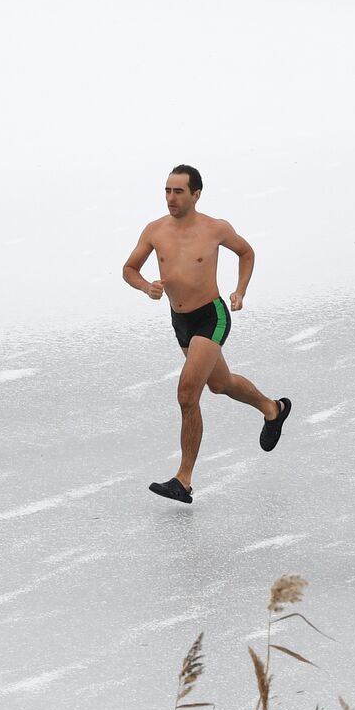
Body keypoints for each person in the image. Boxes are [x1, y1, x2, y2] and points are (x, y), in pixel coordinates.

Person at [121, 164, 291, 504]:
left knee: (187, 394)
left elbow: (246, 252)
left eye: (178, 191)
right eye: (167, 191)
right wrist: (145, 287)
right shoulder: (155, 231)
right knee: (220, 384)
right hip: (180, 320)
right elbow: (129, 269)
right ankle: (272, 409)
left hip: (211, 316)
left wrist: (240, 290)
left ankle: (183, 481)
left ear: (196, 194)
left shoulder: (215, 228)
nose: (171, 198)